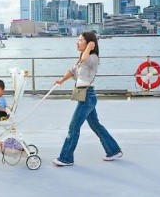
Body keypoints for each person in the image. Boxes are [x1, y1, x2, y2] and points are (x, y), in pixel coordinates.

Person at [52, 31, 122, 166]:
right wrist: (60, 81)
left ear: (89, 42)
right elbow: (72, 70)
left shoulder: (93, 57)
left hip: (87, 96)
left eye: (80, 40)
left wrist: (90, 47)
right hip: (84, 95)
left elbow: (85, 59)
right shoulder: (82, 58)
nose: (77, 43)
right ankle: (113, 150)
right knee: (96, 125)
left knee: (74, 127)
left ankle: (66, 158)